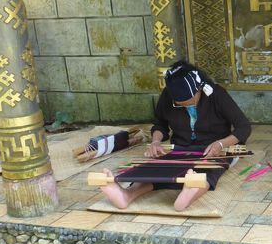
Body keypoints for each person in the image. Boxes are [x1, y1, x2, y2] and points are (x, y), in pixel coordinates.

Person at [99, 60, 251, 210]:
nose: (184, 106)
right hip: (180, 148)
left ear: (198, 89)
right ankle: (127, 195)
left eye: (188, 101)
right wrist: (156, 142)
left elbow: (243, 127)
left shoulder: (216, 94)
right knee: (159, 168)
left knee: (208, 169)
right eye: (179, 103)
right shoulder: (168, 96)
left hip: (214, 149)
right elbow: (160, 124)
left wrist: (221, 144)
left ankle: (188, 194)